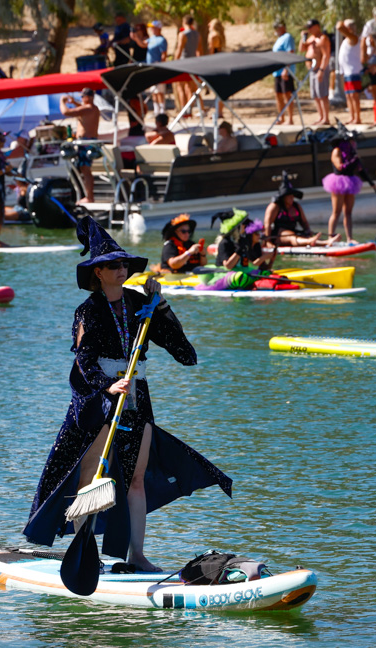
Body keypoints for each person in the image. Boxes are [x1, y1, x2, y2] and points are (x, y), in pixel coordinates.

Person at [24, 219, 231, 573]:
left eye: (124, 264)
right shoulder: (87, 311)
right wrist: (108, 385)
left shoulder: (141, 304)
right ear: (98, 272)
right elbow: (85, 361)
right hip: (99, 404)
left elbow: (186, 354)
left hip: (137, 401)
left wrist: (162, 306)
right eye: (114, 265)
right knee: (89, 480)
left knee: (136, 479)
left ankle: (136, 555)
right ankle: (87, 555)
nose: (122, 270)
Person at [60, 88, 100, 202]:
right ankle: (87, 196)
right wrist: (74, 102)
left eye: (82, 97)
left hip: (86, 142)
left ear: (87, 97)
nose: (81, 99)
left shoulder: (88, 108)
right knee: (83, 169)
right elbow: (81, 108)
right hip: (87, 141)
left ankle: (89, 197)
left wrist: (62, 101)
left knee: (85, 169)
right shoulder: (93, 108)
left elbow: (66, 112)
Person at [323, 132, 363, 241]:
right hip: (338, 181)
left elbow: (359, 169)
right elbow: (341, 167)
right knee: (337, 212)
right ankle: (331, 237)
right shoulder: (337, 151)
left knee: (348, 212)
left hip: (350, 181)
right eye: (351, 140)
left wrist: (370, 182)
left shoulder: (351, 152)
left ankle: (350, 238)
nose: (353, 143)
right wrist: (354, 160)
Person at [266, 174, 322, 246]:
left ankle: (325, 242)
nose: (292, 197)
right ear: (283, 196)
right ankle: (310, 241)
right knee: (291, 236)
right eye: (289, 196)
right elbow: (267, 225)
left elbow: (304, 222)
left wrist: (307, 230)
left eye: (292, 195)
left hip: (293, 232)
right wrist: (268, 242)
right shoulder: (275, 206)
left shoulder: (296, 206)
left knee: (303, 235)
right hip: (279, 235)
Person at [301, 19, 331, 126]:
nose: (309, 29)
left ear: (317, 26)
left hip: (320, 69)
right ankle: (321, 116)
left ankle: (326, 118)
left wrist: (322, 70)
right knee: (315, 95)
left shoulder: (323, 38)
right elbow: (301, 49)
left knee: (322, 94)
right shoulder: (310, 39)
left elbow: (326, 55)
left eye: (311, 27)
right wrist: (302, 38)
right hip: (312, 70)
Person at [173, 17, 201, 118]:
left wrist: (174, 63)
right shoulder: (197, 34)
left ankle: (183, 110)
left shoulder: (183, 34)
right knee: (190, 87)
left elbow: (179, 49)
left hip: (183, 63)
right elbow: (199, 50)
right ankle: (189, 110)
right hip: (193, 63)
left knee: (180, 87)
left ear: (184, 22)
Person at [336, 19, 363, 125]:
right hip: (347, 72)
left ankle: (358, 118)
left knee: (354, 96)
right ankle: (352, 117)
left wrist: (341, 22)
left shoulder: (353, 38)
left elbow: (338, 27)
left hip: (354, 71)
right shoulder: (346, 40)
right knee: (348, 96)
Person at [272, 20, 298, 126]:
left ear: (283, 27)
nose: (276, 30)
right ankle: (281, 117)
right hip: (277, 72)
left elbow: (290, 52)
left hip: (285, 71)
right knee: (278, 95)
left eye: (278, 27)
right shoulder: (279, 39)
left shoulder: (288, 37)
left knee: (287, 94)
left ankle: (290, 119)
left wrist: (286, 70)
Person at [142, 21, 168, 115]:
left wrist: (161, 68)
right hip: (150, 67)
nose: (152, 29)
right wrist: (135, 37)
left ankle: (162, 110)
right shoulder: (151, 39)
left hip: (158, 67)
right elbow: (143, 44)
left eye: (154, 28)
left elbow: (164, 55)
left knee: (160, 90)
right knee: (153, 91)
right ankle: (156, 110)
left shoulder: (162, 40)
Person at [207, 19, 226, 118]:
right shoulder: (220, 35)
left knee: (216, 89)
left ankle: (217, 112)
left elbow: (211, 51)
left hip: (215, 62)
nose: (208, 24)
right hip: (221, 60)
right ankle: (219, 111)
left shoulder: (212, 35)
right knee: (220, 88)